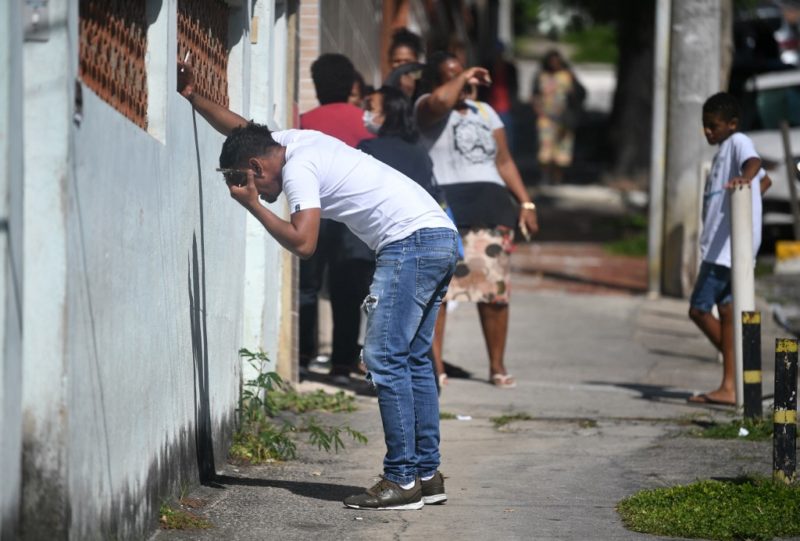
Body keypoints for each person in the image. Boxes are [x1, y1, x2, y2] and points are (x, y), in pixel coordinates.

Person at [178, 60, 459, 510]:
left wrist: (253, 206)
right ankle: (426, 474)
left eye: (251, 180)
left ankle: (402, 478)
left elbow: (305, 244)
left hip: (409, 243)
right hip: (439, 235)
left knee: (384, 358)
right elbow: (242, 131)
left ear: (256, 166)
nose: (264, 191)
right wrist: (192, 95)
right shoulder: (286, 142)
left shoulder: (299, 168)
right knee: (411, 359)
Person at [416, 51, 539, 389]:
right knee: (440, 295)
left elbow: (504, 161)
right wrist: (465, 74)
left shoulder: (486, 112)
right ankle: (434, 365)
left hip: (491, 206)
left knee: (494, 292)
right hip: (446, 209)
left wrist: (525, 203)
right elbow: (441, 101)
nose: (467, 83)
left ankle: (496, 365)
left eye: (468, 77)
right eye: (454, 76)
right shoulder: (426, 106)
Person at [687, 92, 772, 406]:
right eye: (705, 126)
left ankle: (736, 361)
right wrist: (751, 193)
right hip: (723, 248)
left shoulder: (737, 144)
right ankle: (731, 385)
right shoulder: (723, 151)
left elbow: (755, 165)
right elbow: (766, 182)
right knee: (725, 313)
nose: (708, 131)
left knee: (698, 308)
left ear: (732, 124)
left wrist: (743, 181)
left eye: (714, 125)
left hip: (725, 252)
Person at [299, 54, 375, 384]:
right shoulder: (368, 123)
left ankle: (302, 358)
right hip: (353, 218)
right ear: (350, 86)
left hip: (312, 212)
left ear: (316, 86)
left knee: (308, 287)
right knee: (348, 292)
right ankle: (342, 364)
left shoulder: (301, 121)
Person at [358, 85, 436, 197]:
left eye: (370, 108)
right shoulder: (420, 150)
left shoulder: (368, 149)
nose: (365, 112)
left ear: (388, 114)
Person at [531, 49, 584, 185]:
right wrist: (536, 107)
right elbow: (535, 94)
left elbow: (580, 94)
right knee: (545, 149)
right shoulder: (541, 76)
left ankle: (558, 177)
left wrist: (572, 91)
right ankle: (545, 176)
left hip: (563, 118)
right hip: (546, 118)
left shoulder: (567, 76)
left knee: (562, 150)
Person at [386, 28, 425, 99]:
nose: (402, 66)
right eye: (397, 61)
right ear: (389, 62)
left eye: (407, 61)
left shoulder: (425, 82)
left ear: (416, 61)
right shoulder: (386, 89)